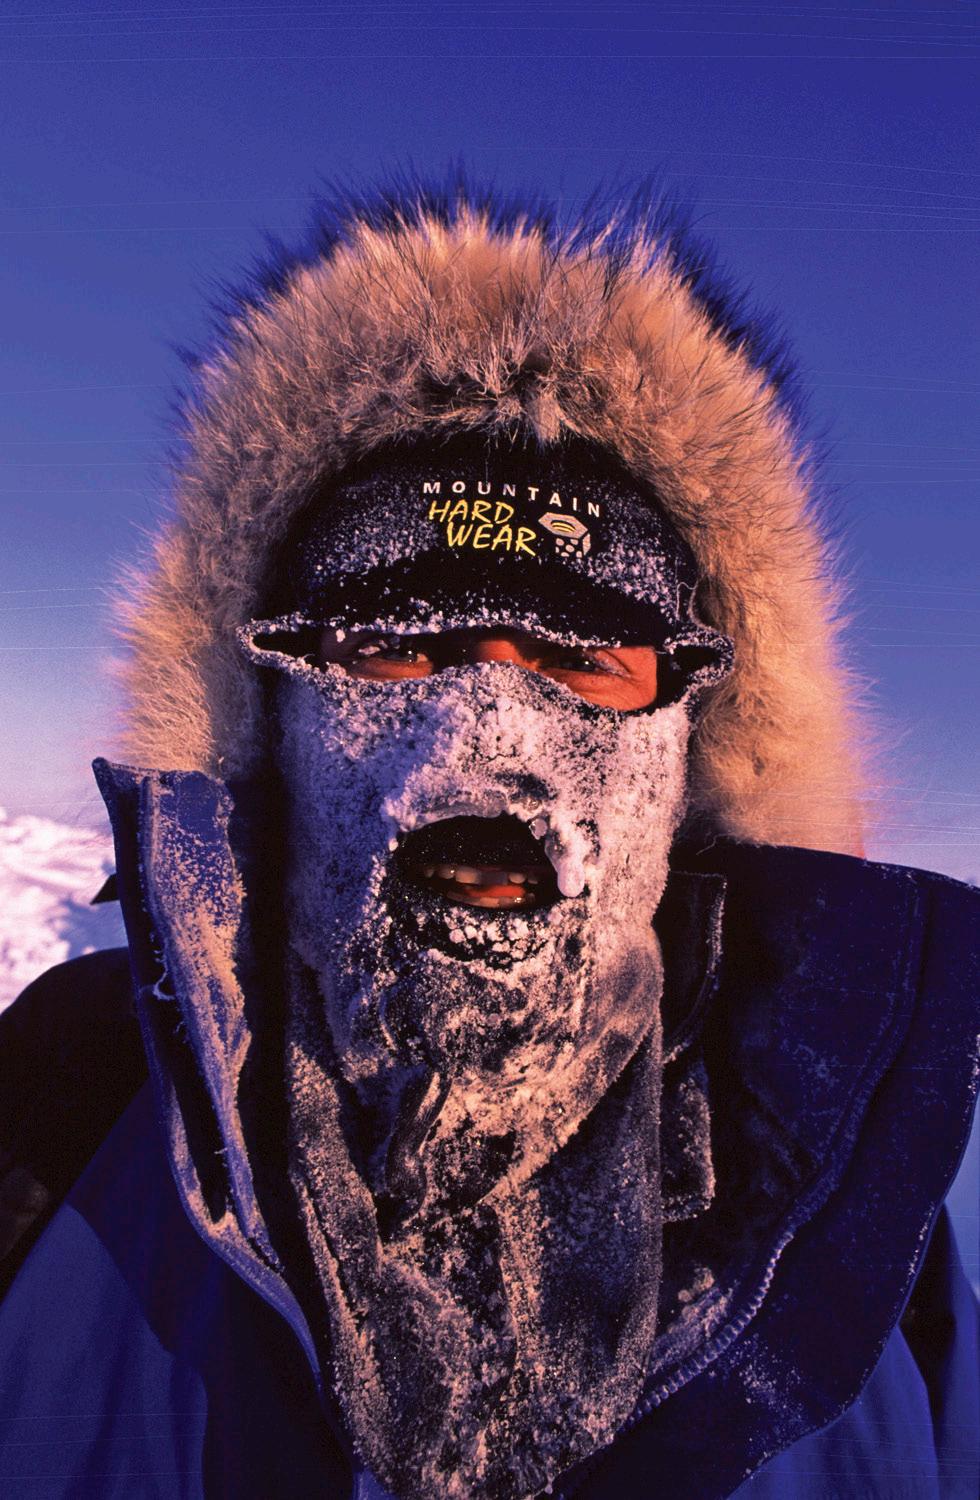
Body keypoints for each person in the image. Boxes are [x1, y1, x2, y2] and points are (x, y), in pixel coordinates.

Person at [0, 181, 977, 1500]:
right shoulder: (64, 1101)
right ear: (266, 719)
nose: (483, 737)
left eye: (583, 656)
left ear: (695, 745)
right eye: (394, 644)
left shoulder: (849, 1221)